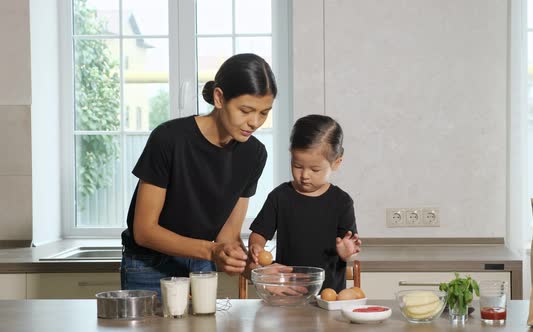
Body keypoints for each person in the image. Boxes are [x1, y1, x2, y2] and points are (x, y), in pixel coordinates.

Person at [120, 53, 277, 297]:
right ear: (219, 98)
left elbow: (227, 237)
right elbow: (144, 231)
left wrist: (259, 272)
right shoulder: (169, 139)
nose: (254, 122)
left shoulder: (254, 154)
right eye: (245, 110)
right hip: (150, 266)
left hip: (202, 266)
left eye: (264, 113)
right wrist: (212, 251)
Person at [247, 114, 361, 293]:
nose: (304, 175)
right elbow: (259, 234)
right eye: (297, 166)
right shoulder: (280, 196)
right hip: (286, 293)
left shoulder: (342, 202)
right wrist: (256, 246)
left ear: (336, 163)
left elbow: (350, 248)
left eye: (315, 169)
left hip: (328, 296)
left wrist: (347, 253)